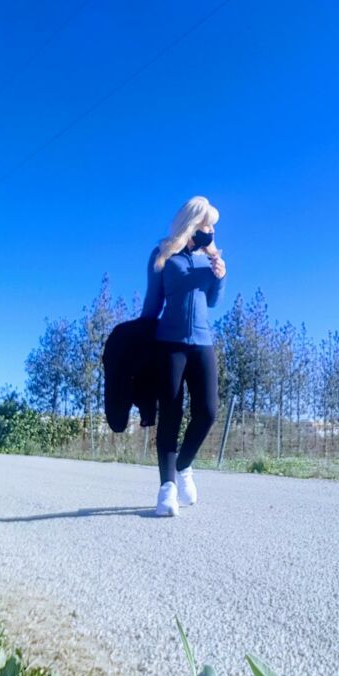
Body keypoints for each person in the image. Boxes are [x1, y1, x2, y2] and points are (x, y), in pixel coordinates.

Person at [141, 196, 227, 516]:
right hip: (170, 343)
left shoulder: (210, 259)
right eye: (207, 224)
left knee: (208, 411)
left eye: (213, 226)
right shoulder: (163, 254)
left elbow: (213, 301)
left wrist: (220, 276)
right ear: (192, 224)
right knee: (171, 414)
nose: (211, 231)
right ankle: (167, 488)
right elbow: (153, 302)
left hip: (203, 343)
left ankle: (184, 466)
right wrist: (141, 339)